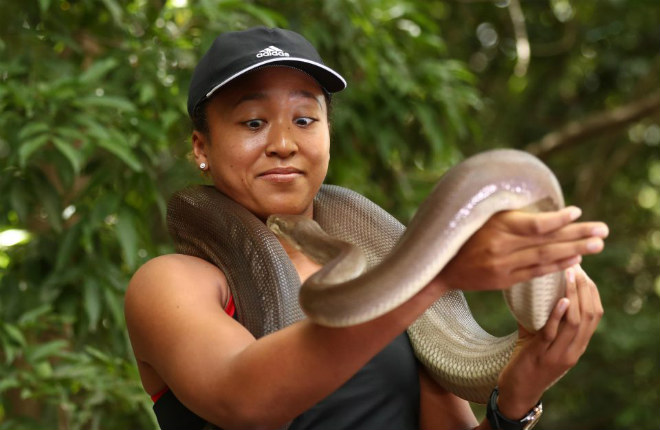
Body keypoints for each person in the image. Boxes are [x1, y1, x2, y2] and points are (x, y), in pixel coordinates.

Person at [124, 27, 608, 430]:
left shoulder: (383, 276)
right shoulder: (171, 283)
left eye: (305, 118)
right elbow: (244, 400)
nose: (284, 143)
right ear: (201, 148)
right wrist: (435, 273)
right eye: (253, 123)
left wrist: (519, 394)